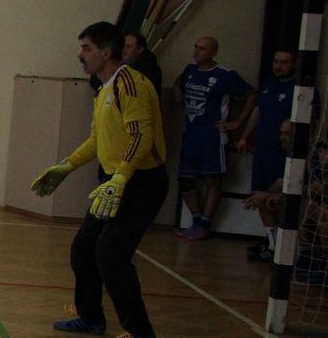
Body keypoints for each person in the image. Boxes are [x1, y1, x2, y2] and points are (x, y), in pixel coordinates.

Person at [31, 20, 167, 338]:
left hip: (140, 183)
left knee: (111, 254)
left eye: (86, 48)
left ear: (106, 52)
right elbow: (97, 140)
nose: (80, 55)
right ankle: (90, 317)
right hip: (113, 182)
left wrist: (120, 178)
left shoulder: (130, 84)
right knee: (83, 249)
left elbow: (140, 136)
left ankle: (140, 331)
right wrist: (66, 166)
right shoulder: (104, 88)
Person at [170, 36, 255, 240]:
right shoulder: (190, 70)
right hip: (191, 135)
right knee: (185, 179)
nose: (197, 51)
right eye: (196, 47)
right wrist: (177, 90)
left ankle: (205, 224)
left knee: (212, 179)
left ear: (213, 53)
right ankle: (196, 219)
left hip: (213, 137)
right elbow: (178, 81)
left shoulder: (225, 75)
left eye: (202, 48)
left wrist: (237, 123)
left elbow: (252, 94)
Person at [240, 48, 317, 262]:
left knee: (279, 199)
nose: (278, 66)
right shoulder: (269, 84)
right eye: (276, 61)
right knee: (259, 196)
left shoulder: (302, 90)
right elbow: (258, 111)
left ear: (294, 64)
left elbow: (312, 123)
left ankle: (292, 250)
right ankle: (273, 245)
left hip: (282, 153)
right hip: (262, 151)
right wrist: (245, 136)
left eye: (284, 62)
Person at [88, 31, 162, 95]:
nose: (123, 49)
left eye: (128, 47)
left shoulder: (150, 70)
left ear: (140, 49)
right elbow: (95, 81)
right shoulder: (115, 61)